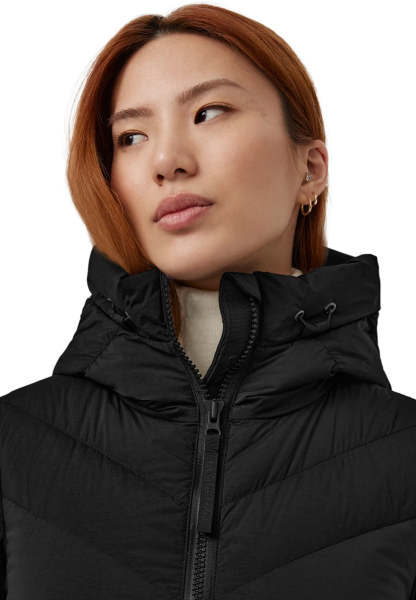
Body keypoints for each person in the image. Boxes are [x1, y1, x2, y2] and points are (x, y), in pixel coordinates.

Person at [1, 4, 415, 599]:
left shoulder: (403, 455)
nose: (167, 161)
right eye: (131, 137)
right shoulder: (15, 445)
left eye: (209, 112)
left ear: (310, 168)